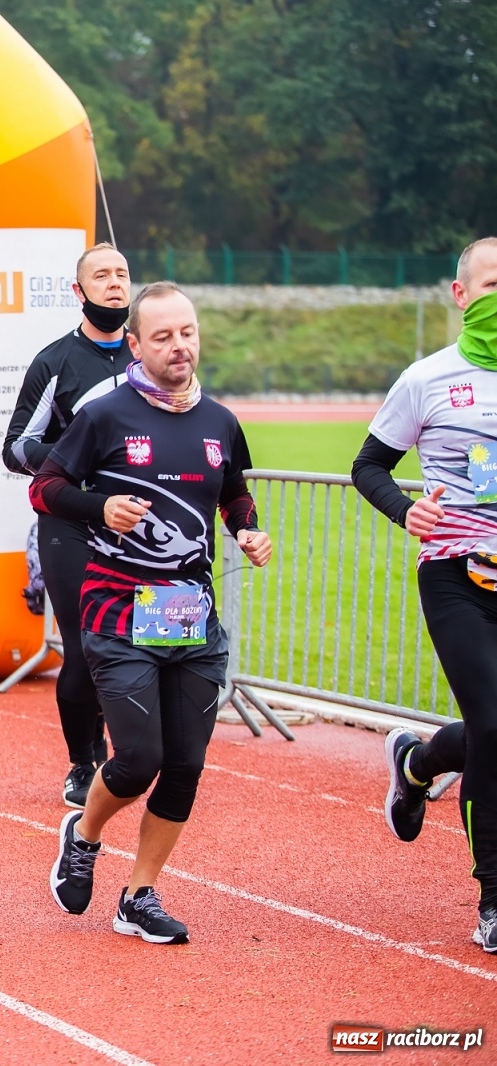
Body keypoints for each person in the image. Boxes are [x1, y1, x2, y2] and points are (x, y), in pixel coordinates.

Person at [33, 281, 271, 944]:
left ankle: (139, 894)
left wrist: (248, 530)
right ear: (135, 345)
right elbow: (45, 488)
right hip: (118, 613)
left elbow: (234, 494)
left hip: (191, 616)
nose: (179, 346)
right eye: (163, 336)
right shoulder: (105, 416)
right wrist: (100, 507)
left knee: (186, 765)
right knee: (139, 759)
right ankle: (84, 835)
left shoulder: (219, 421)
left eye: (187, 333)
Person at [352, 235, 497, 955]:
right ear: (461, 294)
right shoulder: (428, 379)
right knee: (494, 729)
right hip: (456, 577)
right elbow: (369, 466)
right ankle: (494, 898)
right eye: (493, 285)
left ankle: (417, 763)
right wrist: (406, 510)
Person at [4, 243, 135, 808]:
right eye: (101, 275)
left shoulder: (148, 356)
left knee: (141, 641)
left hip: (136, 525)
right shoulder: (54, 362)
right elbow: (15, 448)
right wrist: (75, 456)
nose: (115, 283)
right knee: (85, 647)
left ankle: (135, 752)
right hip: (70, 524)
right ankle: (85, 762)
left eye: (122, 274)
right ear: (79, 291)